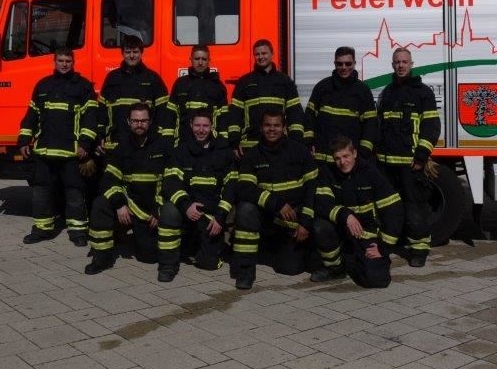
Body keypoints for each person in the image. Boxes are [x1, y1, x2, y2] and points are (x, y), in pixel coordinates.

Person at [231, 108, 328, 290]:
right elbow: (245, 188)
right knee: (245, 209)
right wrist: (275, 203)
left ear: (284, 128)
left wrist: (306, 223)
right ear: (261, 127)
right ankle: (245, 270)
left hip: (293, 219)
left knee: (290, 269)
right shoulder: (252, 155)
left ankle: (281, 249)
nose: (272, 129)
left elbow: (313, 189)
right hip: (267, 216)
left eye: (276, 125)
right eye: (267, 125)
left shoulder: (299, 151)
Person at [17, 48, 99, 246]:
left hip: (71, 153)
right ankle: (42, 230)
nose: (64, 64)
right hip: (44, 152)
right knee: (41, 193)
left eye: (68, 61)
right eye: (61, 60)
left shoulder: (83, 86)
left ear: (73, 62)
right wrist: (23, 140)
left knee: (74, 193)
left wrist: (86, 144)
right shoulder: (43, 85)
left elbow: (91, 118)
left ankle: (78, 232)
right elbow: (32, 115)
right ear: (54, 62)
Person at [85, 102, 171, 274]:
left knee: (149, 258)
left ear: (150, 122)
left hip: (150, 209)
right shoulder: (120, 147)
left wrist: (158, 208)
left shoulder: (163, 146)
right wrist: (119, 204)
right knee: (100, 203)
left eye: (143, 121)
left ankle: (128, 238)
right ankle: (102, 256)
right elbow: (108, 180)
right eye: (135, 121)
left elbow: (171, 181)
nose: (139, 124)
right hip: (127, 205)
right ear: (128, 122)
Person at [375, 47, 441, 267]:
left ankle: (419, 250)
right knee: (388, 208)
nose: (401, 65)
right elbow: (379, 125)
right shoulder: (387, 92)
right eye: (397, 62)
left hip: (411, 164)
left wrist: (421, 156)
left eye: (405, 62)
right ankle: (389, 244)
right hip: (386, 164)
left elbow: (431, 126)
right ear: (392, 65)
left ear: (412, 64)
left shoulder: (423, 93)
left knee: (415, 208)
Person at [157, 109, 236, 282]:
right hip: (188, 209)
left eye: (205, 126)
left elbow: (231, 186)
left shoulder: (223, 151)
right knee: (169, 210)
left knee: (209, 263)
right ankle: (167, 265)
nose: (201, 130)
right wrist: (186, 206)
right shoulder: (181, 150)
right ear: (191, 125)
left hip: (211, 215)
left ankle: (201, 247)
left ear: (212, 127)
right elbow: (171, 182)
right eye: (197, 125)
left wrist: (221, 216)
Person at [314, 136, 404, 287]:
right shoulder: (327, 173)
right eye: (337, 158)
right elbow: (322, 204)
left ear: (354, 153)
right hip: (341, 230)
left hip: (366, 233)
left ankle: (359, 260)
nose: (342, 162)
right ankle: (335, 268)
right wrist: (346, 215)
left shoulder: (371, 173)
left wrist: (384, 247)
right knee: (320, 227)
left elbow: (394, 209)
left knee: (376, 280)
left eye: (346, 156)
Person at [228, 39, 305, 156]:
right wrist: (234, 141)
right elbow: (235, 113)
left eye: (264, 53)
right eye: (257, 54)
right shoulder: (244, 81)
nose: (260, 57)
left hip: (280, 145)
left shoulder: (284, 81)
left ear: (272, 54)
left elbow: (294, 112)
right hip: (250, 145)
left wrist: (296, 141)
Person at [305, 46, 377, 165]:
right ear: (334, 64)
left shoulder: (362, 91)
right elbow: (309, 117)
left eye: (348, 64)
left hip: (348, 162)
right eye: (340, 64)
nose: (344, 67)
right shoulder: (322, 87)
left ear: (354, 63)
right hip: (322, 159)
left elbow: (371, 124)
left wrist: (363, 153)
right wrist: (308, 143)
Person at [98, 35, 170, 148]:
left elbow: (164, 114)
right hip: (114, 144)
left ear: (142, 53)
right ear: (122, 53)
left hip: (143, 145)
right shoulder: (112, 78)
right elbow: (101, 111)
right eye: (128, 52)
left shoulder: (152, 79)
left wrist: (157, 139)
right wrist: (100, 136)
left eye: (135, 52)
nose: (131, 56)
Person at [165, 45, 228, 145]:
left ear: (209, 60)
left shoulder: (217, 86)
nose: (200, 62)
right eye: (197, 59)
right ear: (191, 59)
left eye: (204, 59)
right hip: (183, 142)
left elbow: (223, 119)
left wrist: (222, 144)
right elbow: (170, 115)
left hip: (210, 145)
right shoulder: (180, 83)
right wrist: (168, 141)